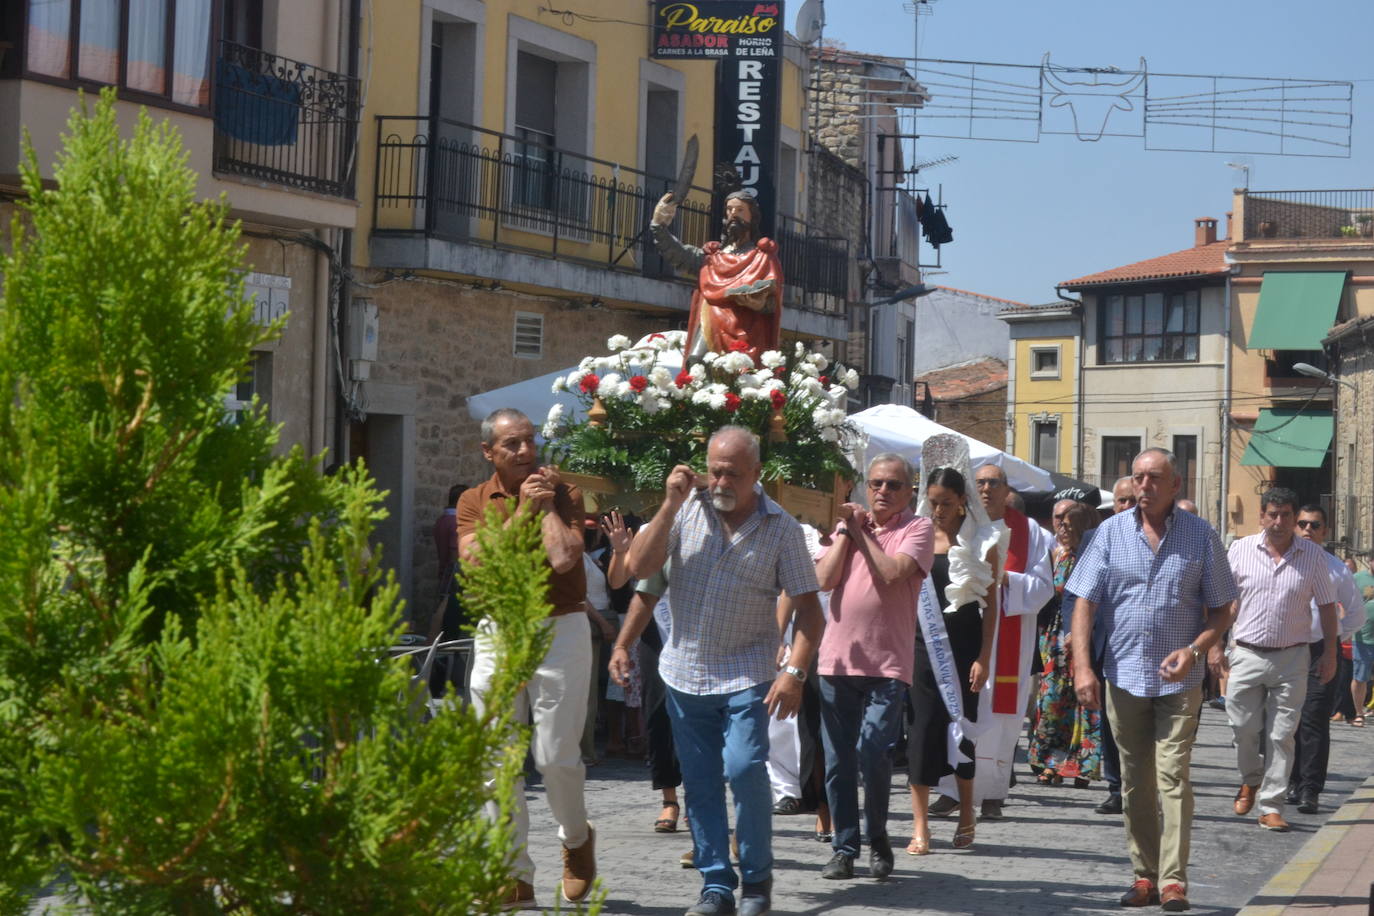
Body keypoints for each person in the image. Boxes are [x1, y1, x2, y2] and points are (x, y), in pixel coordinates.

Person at [617, 426, 824, 916]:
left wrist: (794, 673)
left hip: (747, 674)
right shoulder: (686, 510)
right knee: (702, 780)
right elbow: (636, 570)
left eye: (732, 472)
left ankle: (756, 880)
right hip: (685, 672)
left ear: (757, 473)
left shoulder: (782, 530)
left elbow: (811, 615)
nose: (720, 480)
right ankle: (715, 884)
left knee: (744, 768)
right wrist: (668, 506)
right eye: (714, 470)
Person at [1068, 447, 1236, 911]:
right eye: (1138, 477)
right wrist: (1084, 667)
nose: (1144, 486)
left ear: (1175, 485)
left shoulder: (1202, 536)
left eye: (1155, 478)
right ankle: (1144, 876)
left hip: (1180, 681)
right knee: (1135, 780)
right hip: (1123, 675)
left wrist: (1196, 649)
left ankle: (1174, 881)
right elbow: (1084, 601)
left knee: (1172, 775)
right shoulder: (1108, 534)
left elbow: (1223, 607)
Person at [458, 408, 595, 909]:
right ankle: (511, 871)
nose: (524, 452)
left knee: (555, 756)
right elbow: (478, 562)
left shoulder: (566, 493)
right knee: (495, 760)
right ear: (489, 452)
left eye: (529, 441)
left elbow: (563, 559)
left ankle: (576, 840)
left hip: (559, 626)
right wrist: (521, 511)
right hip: (499, 628)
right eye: (511, 445)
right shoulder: (474, 500)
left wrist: (548, 507)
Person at [811, 454, 933, 881]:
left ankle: (877, 834)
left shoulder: (917, 528)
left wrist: (862, 533)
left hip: (888, 664)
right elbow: (824, 580)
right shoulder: (848, 528)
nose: (883, 491)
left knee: (873, 750)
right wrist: (847, 531)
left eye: (893, 485)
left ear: (909, 491)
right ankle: (845, 847)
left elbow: (891, 573)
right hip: (837, 661)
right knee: (837, 761)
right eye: (877, 483)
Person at [931, 463, 1053, 820]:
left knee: (1002, 719)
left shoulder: (1032, 534)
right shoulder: (960, 526)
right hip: (964, 633)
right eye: (980, 482)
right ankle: (952, 790)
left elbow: (1044, 589)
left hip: (1009, 640)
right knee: (960, 709)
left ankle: (993, 793)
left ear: (1006, 488)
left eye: (993, 482)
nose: (986, 488)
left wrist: (999, 580)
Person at [906, 435, 1001, 857]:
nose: (937, 510)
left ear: (962, 501)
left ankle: (966, 813)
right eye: (932, 502)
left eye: (945, 502)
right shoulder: (918, 537)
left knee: (961, 735)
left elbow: (993, 604)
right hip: (922, 647)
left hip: (964, 648)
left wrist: (984, 657)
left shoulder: (983, 541)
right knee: (922, 732)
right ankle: (921, 825)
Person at [1225, 488, 1339, 832]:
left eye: (1286, 515)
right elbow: (1226, 602)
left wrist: (1331, 652)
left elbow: (1327, 606)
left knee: (1282, 735)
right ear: (1262, 516)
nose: (1279, 521)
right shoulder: (1240, 550)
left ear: (1293, 518)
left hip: (1293, 657)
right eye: (1272, 514)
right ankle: (1250, 778)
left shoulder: (1313, 556)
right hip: (1246, 652)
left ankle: (1271, 805)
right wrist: (1215, 645)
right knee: (1242, 729)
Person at [651, 189, 783, 363]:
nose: (733, 214)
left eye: (740, 210)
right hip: (711, 322)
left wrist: (756, 303)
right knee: (695, 361)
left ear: (752, 217)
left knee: (740, 374)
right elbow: (679, 255)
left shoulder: (763, 258)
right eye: (729, 210)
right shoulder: (712, 258)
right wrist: (658, 226)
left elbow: (772, 304)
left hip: (747, 331)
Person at [1287, 505, 1361, 813]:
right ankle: (1290, 779)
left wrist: (1333, 642)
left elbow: (1355, 614)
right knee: (1286, 720)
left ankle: (1309, 789)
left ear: (1324, 531)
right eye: (1302, 523)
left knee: (1315, 719)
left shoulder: (1335, 569)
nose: (1307, 529)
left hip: (1320, 651)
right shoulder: (1284, 562)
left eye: (1314, 525)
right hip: (1286, 650)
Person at [1029, 500, 1102, 784]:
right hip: (1053, 639)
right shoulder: (1056, 555)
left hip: (1082, 637)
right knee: (1051, 702)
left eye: (1069, 525)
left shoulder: (1091, 558)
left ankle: (1081, 766)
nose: (1062, 529)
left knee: (1083, 704)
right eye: (1060, 523)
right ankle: (1050, 762)